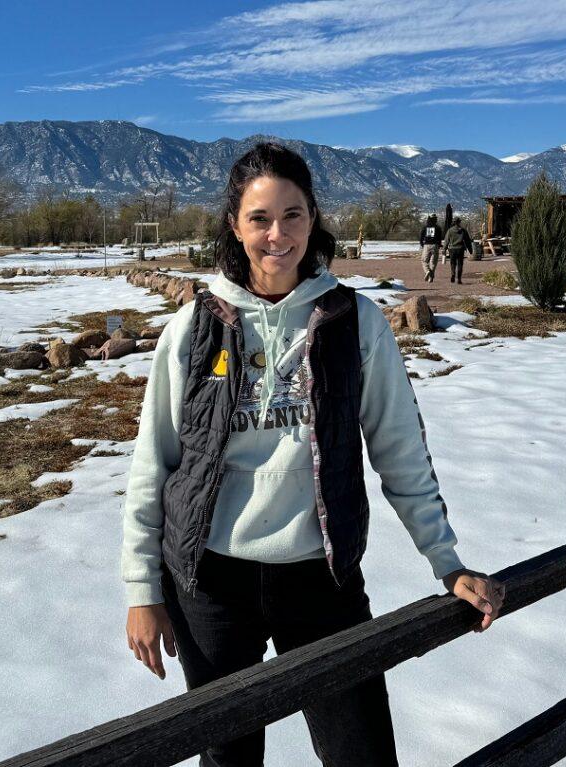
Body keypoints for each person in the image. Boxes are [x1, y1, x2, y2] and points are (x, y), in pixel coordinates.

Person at [122, 142, 505, 767]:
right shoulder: (192, 331)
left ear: (313, 217)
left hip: (321, 578)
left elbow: (400, 451)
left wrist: (448, 563)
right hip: (212, 584)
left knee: (362, 754)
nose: (278, 234)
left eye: (293, 215)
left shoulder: (354, 322)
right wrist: (143, 588)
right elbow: (154, 466)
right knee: (229, 760)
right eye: (260, 218)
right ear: (233, 224)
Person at [443, 217, 474, 284]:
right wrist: (470, 250)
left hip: (452, 249)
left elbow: (446, 241)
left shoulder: (450, 230)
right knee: (460, 264)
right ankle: (459, 279)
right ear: (459, 222)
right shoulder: (463, 230)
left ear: (453, 222)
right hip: (460, 249)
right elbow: (467, 241)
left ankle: (453, 274)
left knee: (453, 263)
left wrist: (444, 249)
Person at [418, 214, 442, 282]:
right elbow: (440, 238)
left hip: (427, 245)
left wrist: (422, 244)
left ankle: (427, 271)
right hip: (435, 245)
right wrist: (439, 245)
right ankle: (431, 277)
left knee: (424, 260)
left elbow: (421, 236)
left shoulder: (425, 227)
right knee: (433, 262)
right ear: (435, 219)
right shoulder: (438, 228)